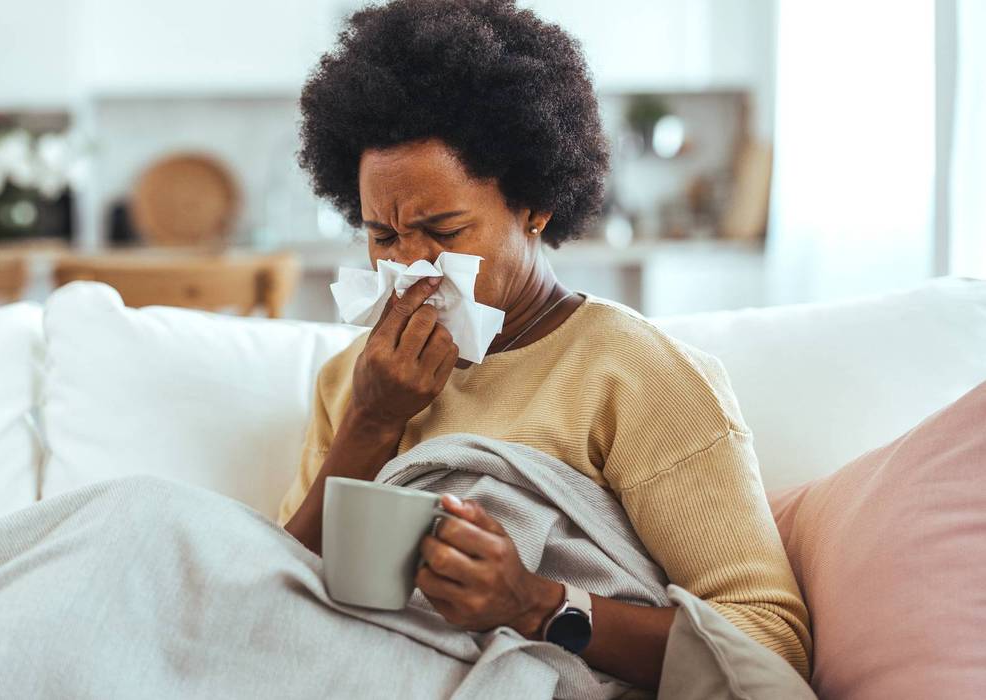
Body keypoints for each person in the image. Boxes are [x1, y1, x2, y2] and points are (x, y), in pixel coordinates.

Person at [278, 0, 810, 691]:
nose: (410, 267)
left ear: (533, 205)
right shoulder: (357, 379)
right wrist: (371, 421)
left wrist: (535, 604)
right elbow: (267, 598)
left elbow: (768, 646)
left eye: (442, 231)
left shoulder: (632, 372)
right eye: (383, 237)